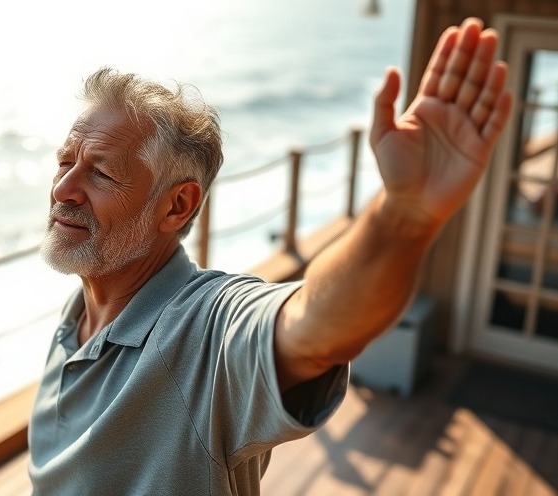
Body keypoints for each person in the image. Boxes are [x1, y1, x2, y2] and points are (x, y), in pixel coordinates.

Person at [29, 18, 513, 495]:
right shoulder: (76, 316)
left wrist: (403, 215)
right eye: (66, 162)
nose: (64, 189)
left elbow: (316, 326)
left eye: (102, 174)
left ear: (177, 205)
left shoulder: (203, 329)